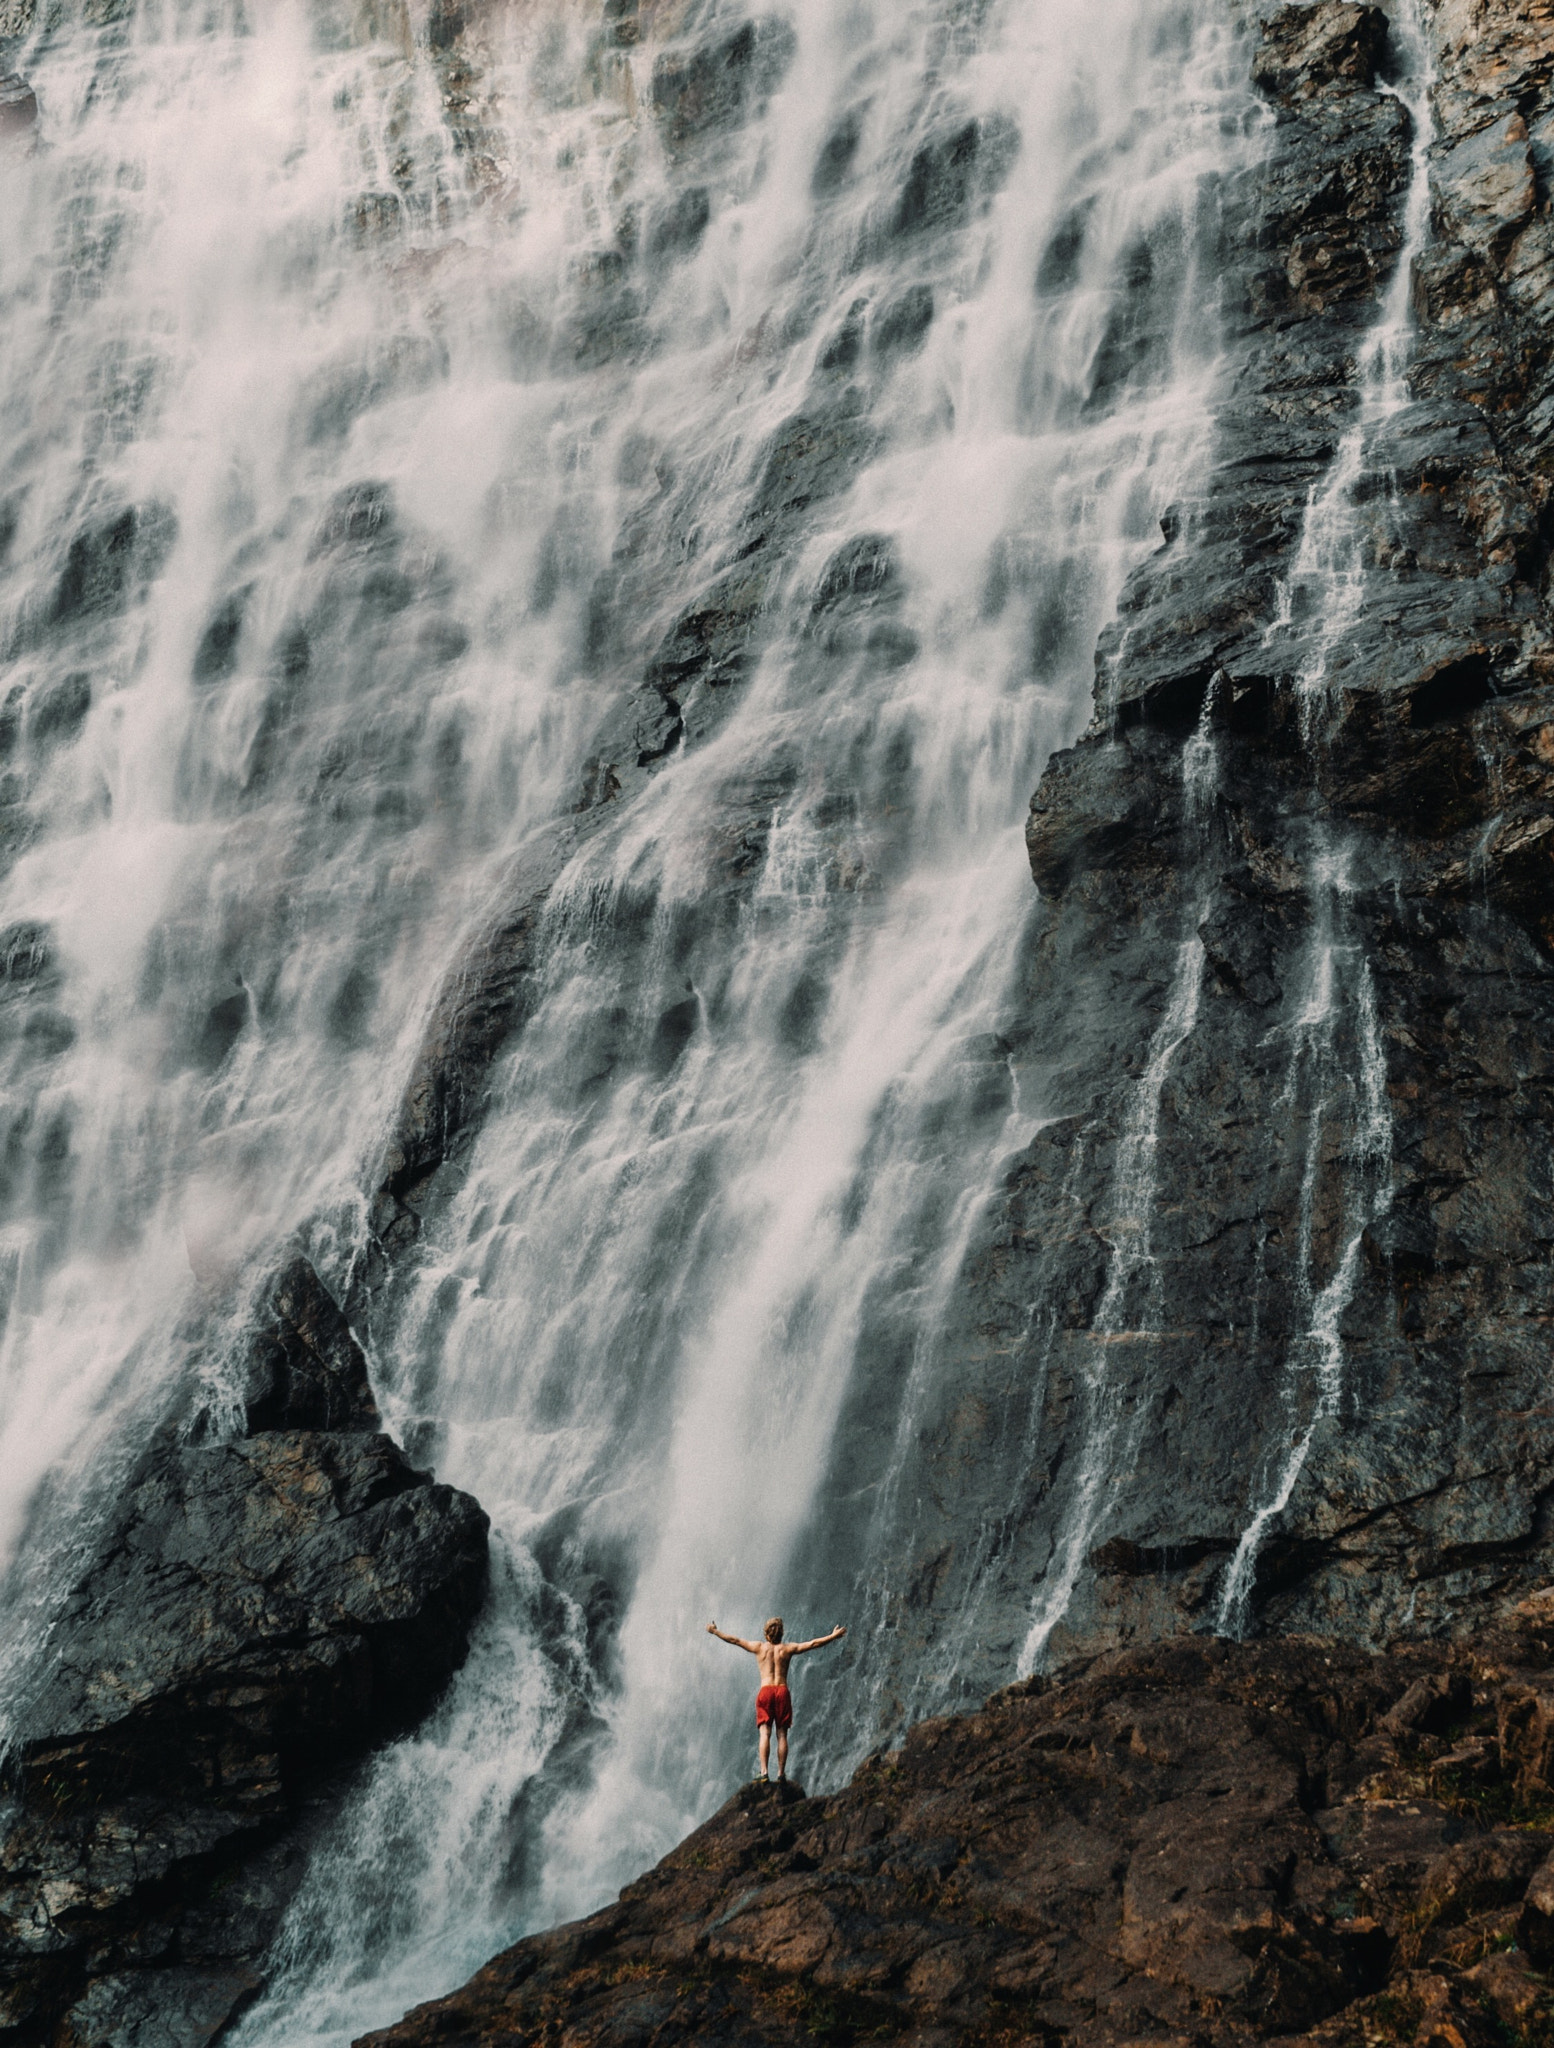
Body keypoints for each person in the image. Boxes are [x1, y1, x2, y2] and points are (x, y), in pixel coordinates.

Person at [706, 1615, 846, 1783]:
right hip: (782, 1691)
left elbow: (734, 1640)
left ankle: (764, 1772)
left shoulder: (759, 1648)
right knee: (781, 1735)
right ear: (782, 1634)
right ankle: (780, 1774)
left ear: (766, 1633)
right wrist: (832, 1636)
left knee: (765, 1733)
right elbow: (813, 1644)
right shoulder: (787, 1649)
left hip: (765, 1692)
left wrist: (715, 1631)